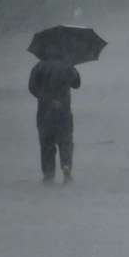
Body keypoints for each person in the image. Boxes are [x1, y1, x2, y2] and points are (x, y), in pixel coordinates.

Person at [28, 54, 81, 184]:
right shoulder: (68, 66)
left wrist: (48, 99)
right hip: (64, 110)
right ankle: (66, 164)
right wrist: (71, 68)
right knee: (66, 140)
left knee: (46, 143)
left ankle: (49, 175)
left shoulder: (38, 67)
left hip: (45, 110)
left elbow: (32, 87)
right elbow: (76, 84)